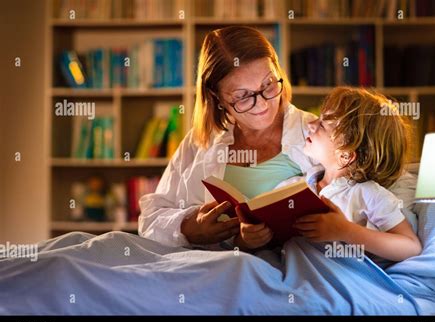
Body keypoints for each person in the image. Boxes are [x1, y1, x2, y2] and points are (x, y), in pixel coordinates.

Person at [138, 26, 416, 253]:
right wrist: (188, 228)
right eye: (243, 96)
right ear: (217, 99)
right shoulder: (201, 142)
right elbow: (149, 220)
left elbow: (392, 177)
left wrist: (352, 232)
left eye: (268, 85)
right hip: (205, 267)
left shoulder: (320, 135)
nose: (261, 103)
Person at [292, 87, 422, 266]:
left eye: (322, 124)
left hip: (333, 275)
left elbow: (410, 246)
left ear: (345, 155)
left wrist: (345, 230)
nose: (311, 124)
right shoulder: (298, 185)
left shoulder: (367, 193)